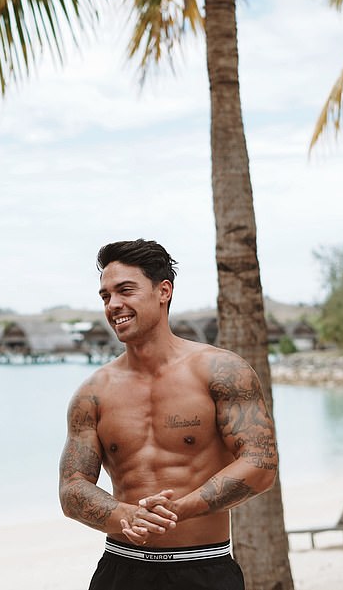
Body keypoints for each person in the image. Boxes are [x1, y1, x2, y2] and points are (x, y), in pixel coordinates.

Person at [59, 239, 278, 590]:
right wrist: (124, 514)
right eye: (105, 296)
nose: (114, 305)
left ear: (164, 291)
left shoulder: (219, 370)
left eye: (125, 290)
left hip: (204, 568)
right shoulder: (92, 393)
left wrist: (182, 509)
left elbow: (261, 463)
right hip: (121, 569)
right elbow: (72, 487)